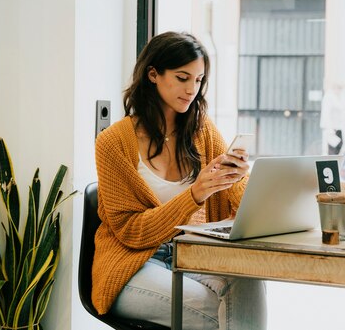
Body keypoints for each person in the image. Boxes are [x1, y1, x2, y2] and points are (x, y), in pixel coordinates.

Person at [92, 31, 267, 330]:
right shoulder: (113, 143)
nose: (192, 90)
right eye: (183, 77)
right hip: (132, 264)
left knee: (246, 280)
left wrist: (238, 181)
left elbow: (236, 200)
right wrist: (195, 194)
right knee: (223, 316)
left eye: (198, 81)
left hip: (191, 253)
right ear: (153, 74)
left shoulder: (202, 132)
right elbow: (131, 231)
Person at [320, 82, 345, 155]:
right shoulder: (329, 97)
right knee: (332, 147)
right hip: (331, 127)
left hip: (338, 127)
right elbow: (326, 114)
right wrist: (330, 128)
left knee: (339, 145)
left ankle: (335, 162)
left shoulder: (339, 97)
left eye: (340, 88)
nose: (340, 90)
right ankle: (332, 163)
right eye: (338, 88)